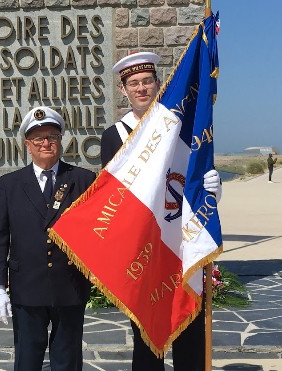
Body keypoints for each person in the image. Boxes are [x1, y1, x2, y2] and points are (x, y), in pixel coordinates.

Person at [101, 51, 223, 371]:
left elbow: (190, 179)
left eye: (147, 81)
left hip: (180, 246)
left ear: (158, 84)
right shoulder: (114, 136)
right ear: (124, 91)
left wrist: (210, 191)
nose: (141, 88)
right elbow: (113, 203)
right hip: (141, 254)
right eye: (134, 84)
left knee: (190, 335)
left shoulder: (180, 128)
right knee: (146, 343)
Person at [0, 106, 95, 371]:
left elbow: (98, 232)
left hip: (69, 286)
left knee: (67, 361)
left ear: (60, 141)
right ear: (28, 145)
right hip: (28, 287)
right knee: (27, 361)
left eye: (52, 137)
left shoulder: (83, 179)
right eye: (39, 139)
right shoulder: (12, 183)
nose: (46, 143)